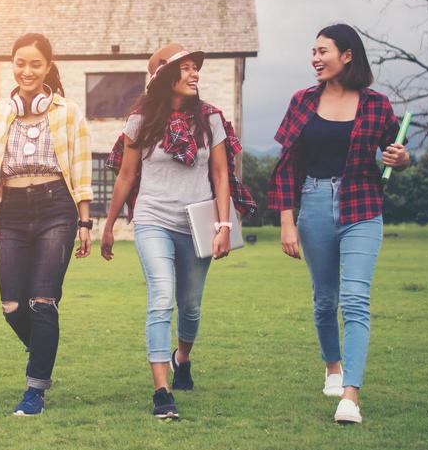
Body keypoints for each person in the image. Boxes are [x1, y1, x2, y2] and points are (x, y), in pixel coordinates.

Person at [100, 43, 254, 421]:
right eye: (185, 68)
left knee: (190, 305)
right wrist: (108, 224)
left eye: (194, 68)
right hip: (154, 219)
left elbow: (220, 174)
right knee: (161, 297)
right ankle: (161, 391)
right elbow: (127, 175)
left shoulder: (211, 119)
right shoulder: (140, 122)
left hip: (198, 223)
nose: (194, 74)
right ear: (165, 77)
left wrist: (224, 226)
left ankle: (181, 357)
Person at [268, 23, 410, 425]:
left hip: (361, 205)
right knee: (325, 299)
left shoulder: (376, 105)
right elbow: (286, 166)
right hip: (312, 204)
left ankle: (350, 396)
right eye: (312, 52)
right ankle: (333, 366)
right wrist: (286, 221)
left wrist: (401, 159)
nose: (315, 58)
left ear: (347, 55)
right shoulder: (301, 101)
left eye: (323, 51)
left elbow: (395, 153)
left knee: (355, 300)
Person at [0, 33, 94, 416]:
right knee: (12, 305)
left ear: (48, 67)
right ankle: (41, 348)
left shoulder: (68, 112)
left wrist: (86, 222)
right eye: (20, 63)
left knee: (43, 301)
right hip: (11, 211)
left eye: (35, 64)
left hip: (55, 207)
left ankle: (35, 390)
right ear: (12, 65)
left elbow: (81, 167)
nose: (27, 71)